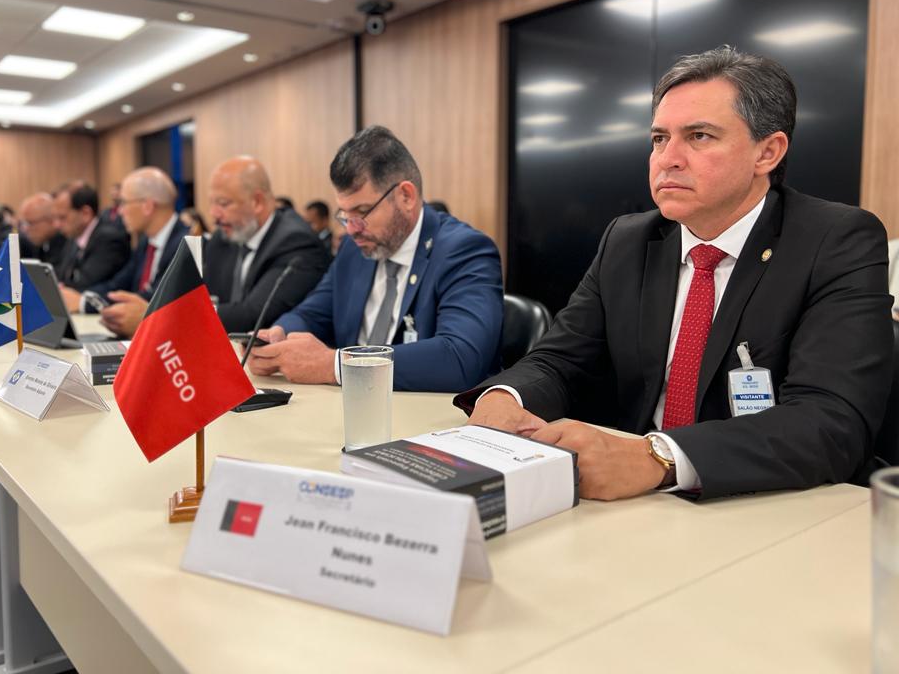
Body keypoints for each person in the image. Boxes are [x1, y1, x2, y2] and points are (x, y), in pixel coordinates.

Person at [457, 46, 893, 501]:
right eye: (660, 138)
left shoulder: (835, 241)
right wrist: (505, 398)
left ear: (767, 152)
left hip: (769, 503)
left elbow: (830, 421)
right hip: (634, 503)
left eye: (699, 136)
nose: (668, 158)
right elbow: (560, 360)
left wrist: (660, 458)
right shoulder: (628, 240)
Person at [248, 125, 503, 392]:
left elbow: (460, 358)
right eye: (344, 214)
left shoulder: (464, 250)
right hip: (349, 404)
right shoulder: (354, 248)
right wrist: (279, 335)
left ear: (406, 196)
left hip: (428, 411)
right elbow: (312, 312)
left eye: (362, 211)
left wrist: (335, 365)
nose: (351, 228)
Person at [99, 157, 329, 337]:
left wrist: (159, 317)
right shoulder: (226, 236)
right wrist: (146, 307)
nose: (214, 215)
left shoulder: (295, 242)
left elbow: (252, 315)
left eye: (223, 203)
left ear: (257, 202)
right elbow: (186, 290)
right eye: (211, 204)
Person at [60, 167, 188, 314]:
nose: (120, 211)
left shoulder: (185, 245)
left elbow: (154, 298)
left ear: (147, 206)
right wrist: (82, 297)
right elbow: (118, 284)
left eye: (124, 203)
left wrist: (84, 303)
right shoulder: (146, 243)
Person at [53, 184, 130, 291]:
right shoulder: (73, 237)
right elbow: (61, 275)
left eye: (62, 217)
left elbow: (85, 285)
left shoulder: (110, 240)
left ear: (86, 213)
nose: (57, 225)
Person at [18, 192, 67, 267]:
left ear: (50, 220)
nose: (25, 229)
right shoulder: (40, 245)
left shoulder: (66, 247)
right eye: (24, 224)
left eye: (30, 223)